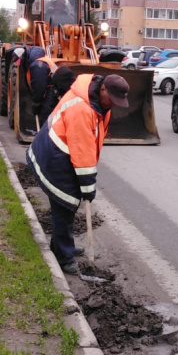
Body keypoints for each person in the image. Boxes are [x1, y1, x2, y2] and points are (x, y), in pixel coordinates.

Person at [26, 72, 130, 275]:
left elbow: (90, 145)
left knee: (67, 206)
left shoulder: (101, 104)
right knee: (65, 204)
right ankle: (64, 257)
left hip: (65, 153)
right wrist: (88, 187)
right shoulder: (82, 108)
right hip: (54, 155)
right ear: (102, 90)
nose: (116, 104)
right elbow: (82, 151)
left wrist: (86, 184)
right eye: (114, 99)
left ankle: (62, 246)